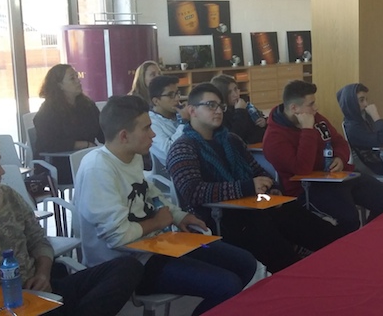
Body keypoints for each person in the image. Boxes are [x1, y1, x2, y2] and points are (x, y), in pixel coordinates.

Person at [74, 95, 257, 316]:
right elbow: (117, 237)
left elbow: (151, 193)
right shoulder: (97, 168)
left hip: (160, 246)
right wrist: (159, 222)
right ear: (124, 135)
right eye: (146, 128)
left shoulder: (132, 156)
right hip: (127, 267)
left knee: (245, 263)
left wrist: (179, 216)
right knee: (227, 284)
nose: (153, 134)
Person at [167, 83, 344, 272]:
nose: (218, 110)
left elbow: (259, 172)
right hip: (219, 220)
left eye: (220, 106)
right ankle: (299, 272)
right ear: (192, 110)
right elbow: (193, 192)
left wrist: (271, 187)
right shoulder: (183, 148)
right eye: (210, 105)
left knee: (303, 219)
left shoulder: (231, 140)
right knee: (274, 242)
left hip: (253, 208)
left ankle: (339, 261)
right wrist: (248, 187)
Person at [0, 129, 143, 316]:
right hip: (2, 304)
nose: (1, 171)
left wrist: (43, 274)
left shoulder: (7, 194)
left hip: (37, 288)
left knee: (127, 268)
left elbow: (39, 241)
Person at [263, 80, 383, 234]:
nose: (316, 108)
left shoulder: (316, 118)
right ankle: (344, 249)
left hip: (338, 177)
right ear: (294, 108)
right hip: (309, 188)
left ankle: (368, 237)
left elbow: (339, 142)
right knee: (349, 219)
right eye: (311, 104)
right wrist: (307, 130)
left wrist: (340, 158)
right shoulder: (274, 138)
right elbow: (302, 169)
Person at [33, 64, 104, 184]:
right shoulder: (48, 111)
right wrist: (82, 144)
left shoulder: (87, 105)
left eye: (77, 76)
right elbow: (48, 143)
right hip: (59, 163)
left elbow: (102, 132)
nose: (78, 81)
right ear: (59, 85)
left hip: (85, 159)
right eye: (72, 78)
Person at [210, 74, 267, 144]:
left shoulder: (243, 105)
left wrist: (264, 123)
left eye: (235, 89)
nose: (235, 94)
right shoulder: (220, 113)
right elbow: (233, 137)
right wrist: (240, 111)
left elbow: (256, 129)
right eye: (229, 92)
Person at [148, 75, 189, 169]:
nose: (177, 99)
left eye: (177, 93)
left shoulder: (178, 113)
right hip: (177, 169)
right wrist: (184, 123)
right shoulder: (151, 123)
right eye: (171, 95)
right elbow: (170, 151)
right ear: (156, 101)